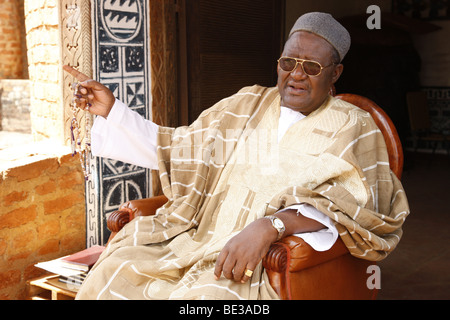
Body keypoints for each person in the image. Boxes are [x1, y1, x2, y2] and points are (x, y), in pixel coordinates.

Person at [64, 12, 409, 300]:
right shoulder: (246, 104)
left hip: (252, 262)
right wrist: (112, 111)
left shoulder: (354, 126)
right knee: (117, 265)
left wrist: (272, 226)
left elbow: (363, 209)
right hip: (196, 239)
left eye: (312, 67)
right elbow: (176, 145)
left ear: (335, 73)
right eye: (288, 62)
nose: (297, 74)